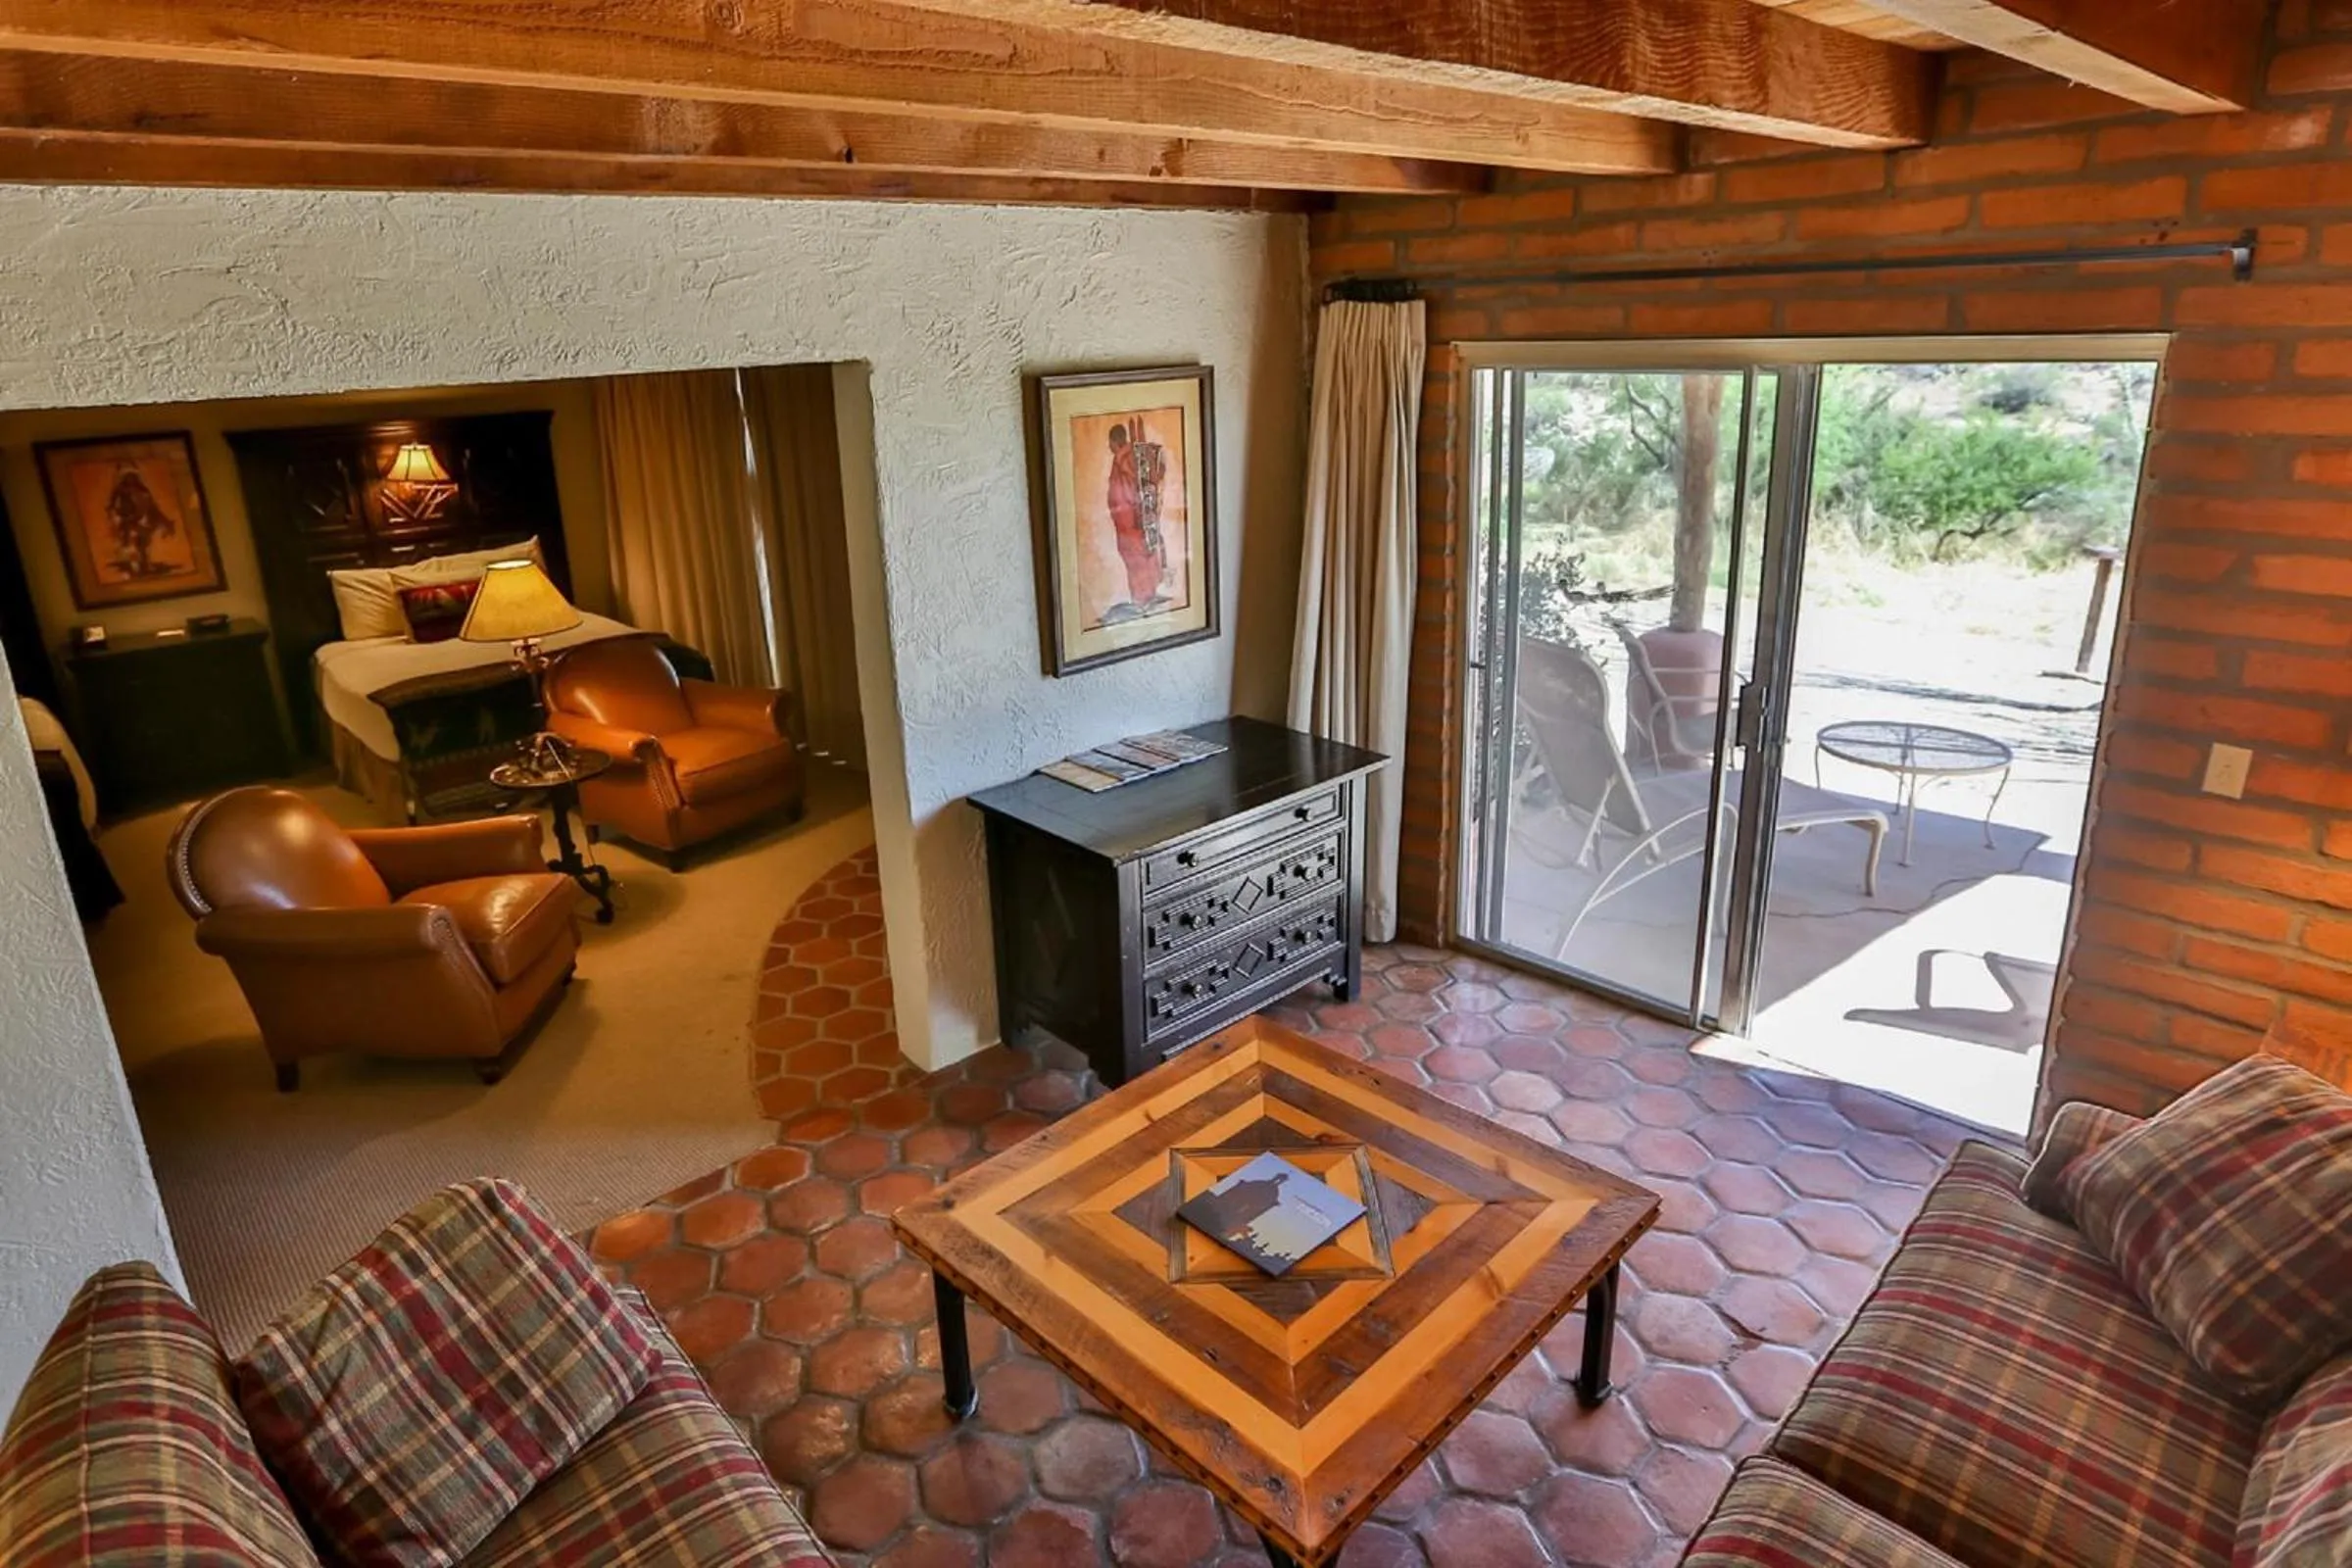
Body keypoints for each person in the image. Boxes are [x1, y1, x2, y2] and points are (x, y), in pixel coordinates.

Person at [1104, 422, 1168, 612]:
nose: (1109, 446)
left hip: (1128, 524)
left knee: (1136, 561)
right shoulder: (1133, 456)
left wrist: (1122, 517)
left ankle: (1142, 600)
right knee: (1143, 557)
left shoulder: (1122, 460)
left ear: (1115, 442)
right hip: (1137, 521)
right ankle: (1147, 597)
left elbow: (1121, 494)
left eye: (1110, 442)